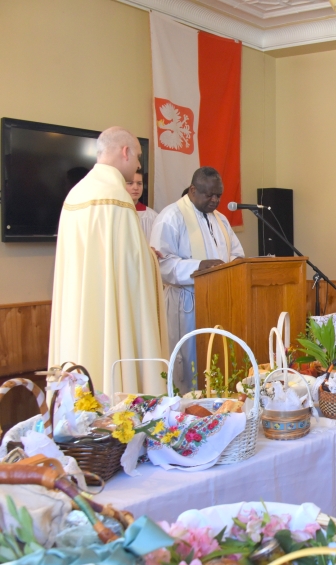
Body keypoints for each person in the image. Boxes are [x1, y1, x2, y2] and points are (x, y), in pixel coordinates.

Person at [49, 126, 167, 396]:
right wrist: (151, 257)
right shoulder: (118, 199)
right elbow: (133, 267)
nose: (139, 164)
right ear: (125, 152)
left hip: (78, 313)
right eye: (138, 156)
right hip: (112, 310)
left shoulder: (75, 196)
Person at [150, 166, 245, 394]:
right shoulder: (171, 217)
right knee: (189, 364)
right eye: (209, 195)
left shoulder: (221, 219)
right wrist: (198, 266)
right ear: (193, 190)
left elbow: (238, 255)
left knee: (217, 358)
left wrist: (227, 265)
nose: (215, 200)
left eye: (219, 195)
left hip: (220, 301)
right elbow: (160, 264)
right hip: (186, 304)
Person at [125, 168, 158, 242]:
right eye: (130, 183)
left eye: (139, 183)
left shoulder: (152, 217)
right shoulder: (115, 214)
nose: (136, 188)